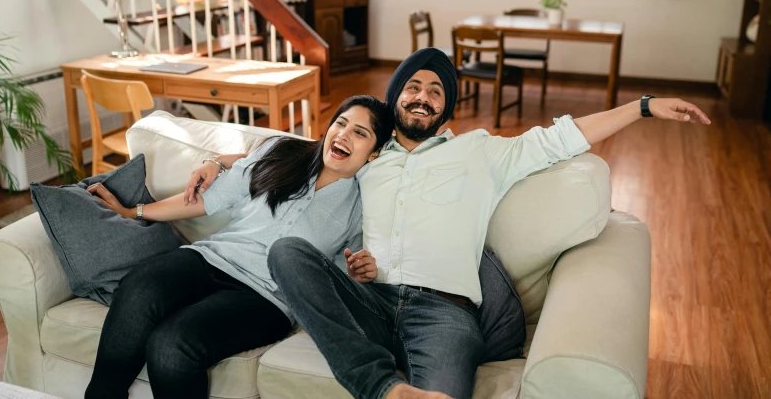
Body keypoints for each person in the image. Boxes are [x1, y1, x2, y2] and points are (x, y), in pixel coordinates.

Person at [199, 48, 711, 399]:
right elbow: (292, 154)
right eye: (413, 87)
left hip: (442, 313)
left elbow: (564, 136)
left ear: (445, 110)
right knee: (287, 251)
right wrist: (220, 161)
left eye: (436, 92)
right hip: (371, 302)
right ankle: (380, 387)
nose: (422, 95)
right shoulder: (369, 158)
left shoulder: (481, 152)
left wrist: (642, 107)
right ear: (396, 98)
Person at [83, 95, 394, 399]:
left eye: (359, 132)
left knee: (171, 343)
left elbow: (336, 276)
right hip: (213, 257)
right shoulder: (282, 151)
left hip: (266, 298)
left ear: (374, 153)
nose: (343, 135)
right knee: (138, 287)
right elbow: (205, 200)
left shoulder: (361, 206)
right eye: (341, 123)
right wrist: (133, 211)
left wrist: (359, 273)